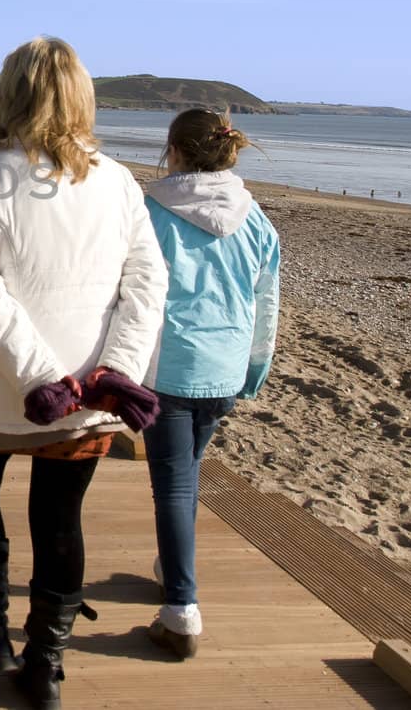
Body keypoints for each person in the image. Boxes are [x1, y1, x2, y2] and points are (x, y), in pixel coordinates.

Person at [0, 37, 168, 710]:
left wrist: (41, 376)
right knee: (60, 519)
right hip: (86, 395)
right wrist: (115, 371)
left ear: (9, 95)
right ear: (81, 97)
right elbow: (149, 283)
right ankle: (45, 666)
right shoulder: (118, 180)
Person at [141, 109, 280, 659]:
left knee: (174, 485)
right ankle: (170, 566)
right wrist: (255, 367)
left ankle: (181, 609)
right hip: (224, 369)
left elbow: (124, 288)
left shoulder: (149, 211)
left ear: (173, 150)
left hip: (166, 368)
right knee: (188, 474)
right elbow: (265, 303)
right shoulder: (257, 219)